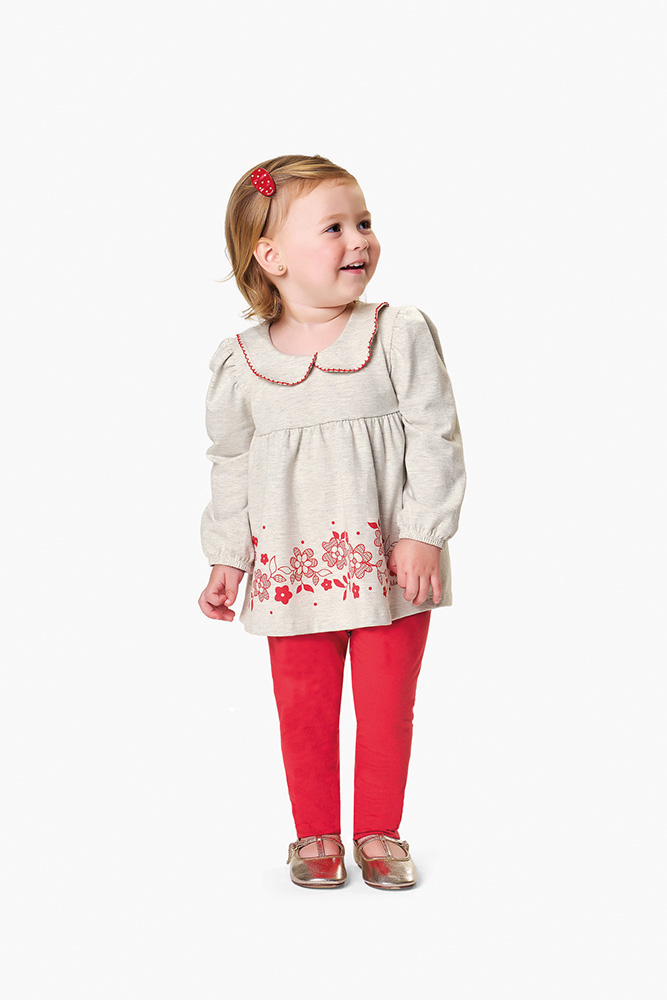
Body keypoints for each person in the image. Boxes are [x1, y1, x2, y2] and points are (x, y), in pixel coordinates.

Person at [198, 154, 467, 890]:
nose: (359, 240)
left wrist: (423, 532)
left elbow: (435, 434)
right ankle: (314, 834)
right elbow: (231, 461)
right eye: (334, 227)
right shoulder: (241, 363)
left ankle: (378, 830)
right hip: (290, 570)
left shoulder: (395, 331)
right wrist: (226, 555)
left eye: (364, 222)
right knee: (303, 710)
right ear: (272, 257)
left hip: (390, 564)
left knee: (386, 708)